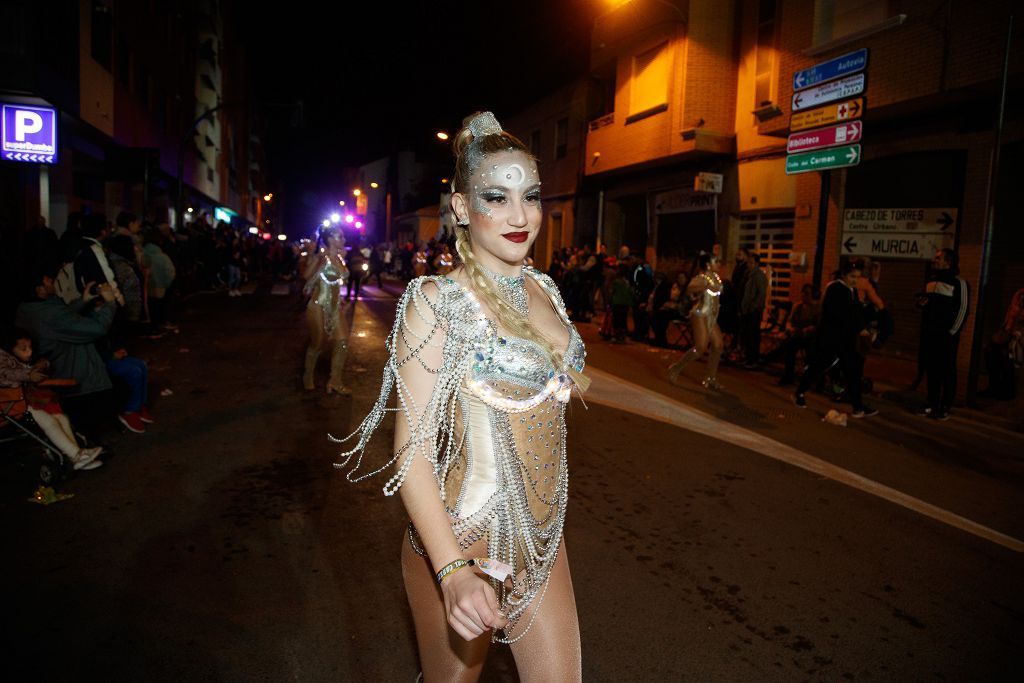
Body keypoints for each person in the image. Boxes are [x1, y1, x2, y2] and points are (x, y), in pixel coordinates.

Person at [334, 112, 586, 681]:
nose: (520, 217)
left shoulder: (545, 288)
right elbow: (412, 452)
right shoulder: (437, 302)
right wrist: (451, 571)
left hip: (543, 539)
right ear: (459, 209)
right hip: (462, 535)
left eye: (531, 196)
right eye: (496, 198)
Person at [0, 327, 103, 470]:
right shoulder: (3, 358)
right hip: (12, 406)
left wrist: (41, 365)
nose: (29, 352)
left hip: (25, 402)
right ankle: (76, 455)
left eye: (30, 348)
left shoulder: (16, 359)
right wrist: (28, 375)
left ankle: (77, 456)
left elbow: (31, 366)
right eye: (24, 349)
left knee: (61, 418)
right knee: (49, 421)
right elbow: (6, 374)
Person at [794, 260, 878, 417]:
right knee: (818, 367)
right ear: (844, 275)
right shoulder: (834, 288)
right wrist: (858, 328)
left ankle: (858, 407)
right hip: (830, 339)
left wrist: (864, 325)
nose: (855, 280)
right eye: (853, 276)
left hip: (845, 340)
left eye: (857, 277)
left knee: (853, 372)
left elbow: (856, 312)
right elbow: (839, 314)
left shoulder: (851, 290)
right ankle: (799, 393)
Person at [917, 249, 970, 420]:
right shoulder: (931, 281)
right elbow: (928, 306)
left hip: (946, 335)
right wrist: (921, 303)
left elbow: (963, 308)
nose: (934, 260)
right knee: (932, 368)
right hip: (930, 334)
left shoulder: (959, 283)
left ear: (948, 262)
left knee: (947, 369)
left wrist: (952, 332)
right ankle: (931, 402)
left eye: (938, 258)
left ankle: (945, 406)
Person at [302, 224, 351, 393]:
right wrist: (313, 256)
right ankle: (308, 375)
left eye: (343, 237)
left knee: (343, 342)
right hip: (318, 306)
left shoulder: (340, 258)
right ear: (330, 239)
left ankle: (335, 382)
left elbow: (339, 281)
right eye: (340, 237)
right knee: (318, 344)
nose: (343, 240)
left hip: (335, 307)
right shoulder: (322, 257)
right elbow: (306, 276)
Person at [667, 252, 725, 389]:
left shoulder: (716, 277)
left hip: (712, 316)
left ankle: (710, 378)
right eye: (715, 261)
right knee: (701, 348)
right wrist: (705, 287)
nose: (719, 264)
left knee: (718, 345)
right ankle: (675, 368)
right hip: (700, 314)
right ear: (708, 264)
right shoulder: (702, 278)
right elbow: (690, 288)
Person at [980, 287, 1024, 400]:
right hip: (1009, 332)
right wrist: (1005, 329)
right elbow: (1011, 315)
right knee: (990, 351)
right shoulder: (1019, 293)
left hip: (1018, 335)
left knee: (1007, 356)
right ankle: (994, 387)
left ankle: (1007, 391)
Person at [776, 284, 818, 386]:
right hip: (798, 335)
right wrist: (791, 329)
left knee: (812, 352)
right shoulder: (797, 306)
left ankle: (810, 378)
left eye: (807, 293)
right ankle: (788, 375)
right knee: (789, 347)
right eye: (803, 293)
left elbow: (817, 325)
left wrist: (807, 330)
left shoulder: (817, 308)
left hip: (810, 337)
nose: (804, 295)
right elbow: (790, 321)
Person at [739, 251, 767, 368]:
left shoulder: (759, 276)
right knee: (747, 334)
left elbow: (761, 294)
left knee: (753, 335)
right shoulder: (749, 275)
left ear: (756, 263)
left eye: (750, 263)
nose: (748, 265)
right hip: (748, 310)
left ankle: (753, 360)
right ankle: (748, 357)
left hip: (754, 311)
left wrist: (753, 307)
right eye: (748, 262)